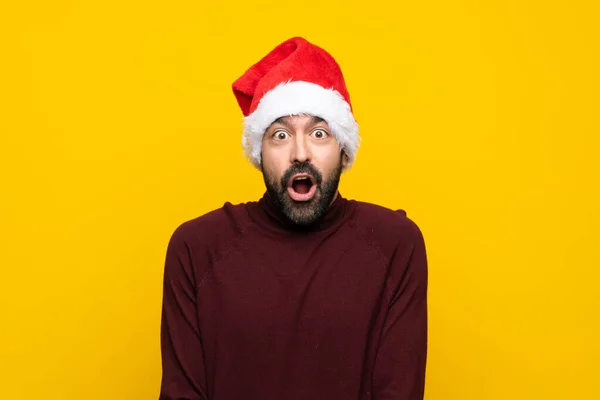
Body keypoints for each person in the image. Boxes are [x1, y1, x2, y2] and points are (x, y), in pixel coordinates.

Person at [158, 36, 428, 400]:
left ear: (344, 152)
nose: (300, 153)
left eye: (319, 133)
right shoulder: (197, 249)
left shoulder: (395, 246)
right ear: (258, 154)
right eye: (280, 135)